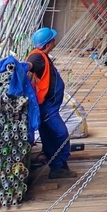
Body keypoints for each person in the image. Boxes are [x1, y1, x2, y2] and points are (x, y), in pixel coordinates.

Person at [26, 27, 76, 179]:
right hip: (47, 107)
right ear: (47, 43)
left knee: (48, 134)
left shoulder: (43, 56)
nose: (55, 41)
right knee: (60, 134)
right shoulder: (37, 57)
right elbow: (29, 65)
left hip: (49, 105)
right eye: (53, 39)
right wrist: (22, 67)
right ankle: (57, 167)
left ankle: (58, 165)